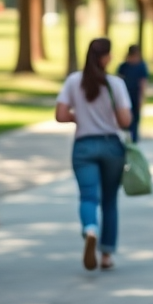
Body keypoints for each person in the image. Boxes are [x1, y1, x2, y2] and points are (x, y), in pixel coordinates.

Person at [56, 38, 133, 271]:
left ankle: (90, 228)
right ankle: (107, 254)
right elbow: (125, 121)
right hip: (111, 147)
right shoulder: (115, 85)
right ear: (106, 57)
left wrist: (77, 116)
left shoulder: (73, 81)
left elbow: (60, 114)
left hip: (84, 147)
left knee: (88, 196)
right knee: (109, 201)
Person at [116, 44, 149, 142]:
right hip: (125, 95)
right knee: (125, 117)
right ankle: (127, 137)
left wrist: (142, 98)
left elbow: (143, 83)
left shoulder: (141, 66)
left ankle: (134, 138)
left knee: (135, 118)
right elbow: (118, 80)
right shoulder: (123, 66)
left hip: (135, 95)